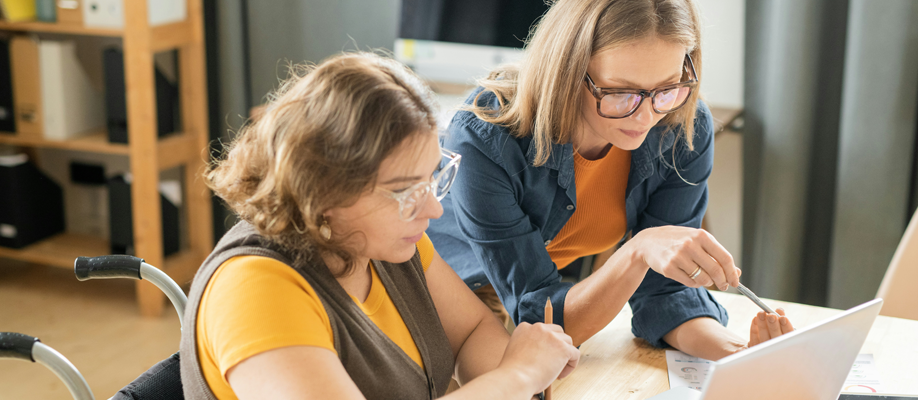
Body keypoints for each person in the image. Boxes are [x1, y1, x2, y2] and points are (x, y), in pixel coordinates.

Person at [176, 52, 580, 400]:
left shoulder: (382, 242)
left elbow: (473, 330)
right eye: (404, 190)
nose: (433, 212)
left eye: (432, 179)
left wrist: (514, 381)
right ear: (324, 189)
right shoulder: (254, 288)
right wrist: (518, 374)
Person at [427, 0, 793, 361]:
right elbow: (541, 318)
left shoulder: (682, 124)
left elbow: (665, 294)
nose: (646, 116)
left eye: (667, 88)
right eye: (621, 93)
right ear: (568, 71)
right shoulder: (486, 137)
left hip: (553, 300)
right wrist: (638, 251)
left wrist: (740, 355)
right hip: (455, 290)